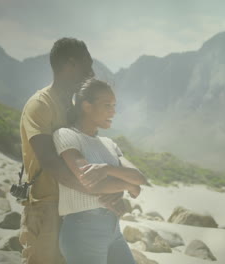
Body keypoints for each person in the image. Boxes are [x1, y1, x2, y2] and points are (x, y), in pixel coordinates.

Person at [19, 38, 124, 264]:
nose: (92, 72)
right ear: (70, 64)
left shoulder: (76, 108)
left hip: (76, 211)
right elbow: (50, 162)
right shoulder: (40, 105)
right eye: (88, 65)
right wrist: (99, 192)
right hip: (46, 208)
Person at [53, 78, 148, 264]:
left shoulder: (109, 144)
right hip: (83, 231)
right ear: (87, 106)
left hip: (113, 230)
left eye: (114, 105)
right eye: (107, 105)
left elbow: (140, 178)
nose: (113, 111)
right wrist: (127, 186)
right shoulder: (67, 135)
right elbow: (89, 181)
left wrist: (107, 169)